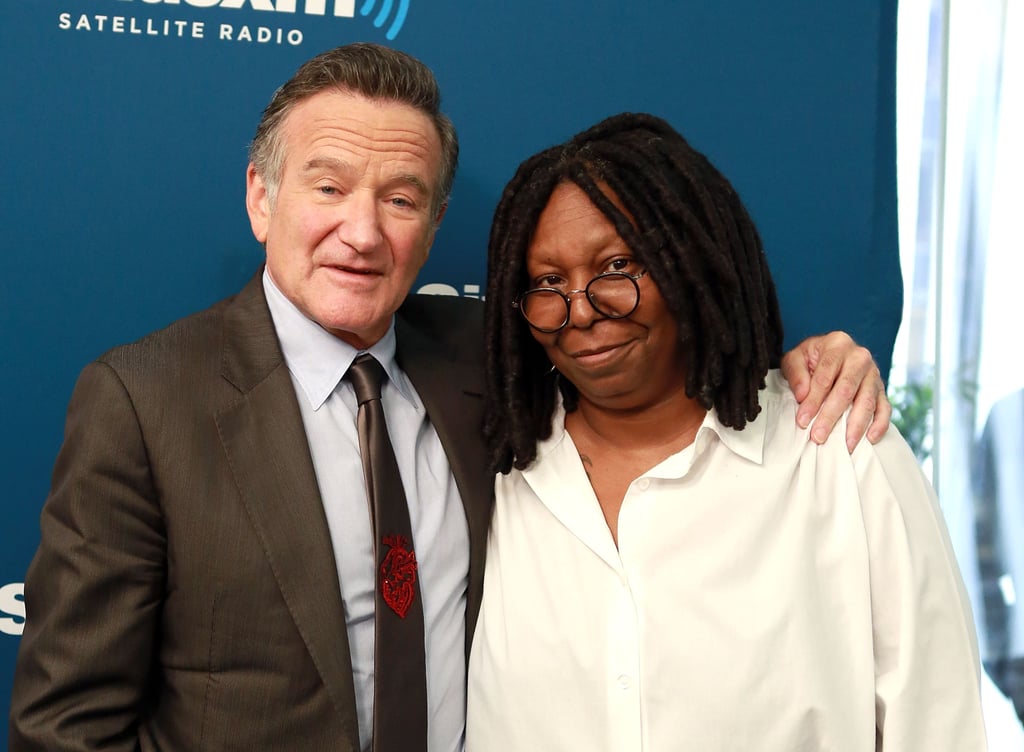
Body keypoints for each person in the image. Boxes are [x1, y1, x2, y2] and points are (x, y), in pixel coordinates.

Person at [9, 45, 887, 751]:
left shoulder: (489, 361)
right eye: (327, 186)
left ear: (431, 232)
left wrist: (811, 358)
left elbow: (650, 337)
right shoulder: (143, 399)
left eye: (400, 198)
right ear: (260, 197)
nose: (362, 231)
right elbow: (64, 726)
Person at [467, 113, 987, 750]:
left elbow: (940, 725)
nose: (580, 311)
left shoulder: (838, 451)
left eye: (617, 266)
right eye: (548, 283)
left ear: (689, 263)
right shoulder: (492, 472)